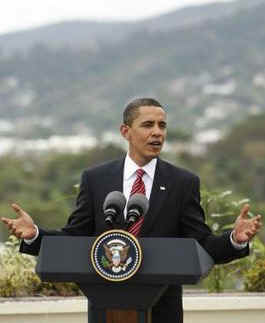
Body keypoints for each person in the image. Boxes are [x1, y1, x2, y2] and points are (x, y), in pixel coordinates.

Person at [1, 97, 262, 323]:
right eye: (148, 125)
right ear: (125, 131)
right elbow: (75, 237)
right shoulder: (96, 178)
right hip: (107, 307)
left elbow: (201, 243)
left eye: (162, 126)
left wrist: (234, 239)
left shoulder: (183, 182)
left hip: (162, 310)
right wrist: (34, 234)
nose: (157, 132)